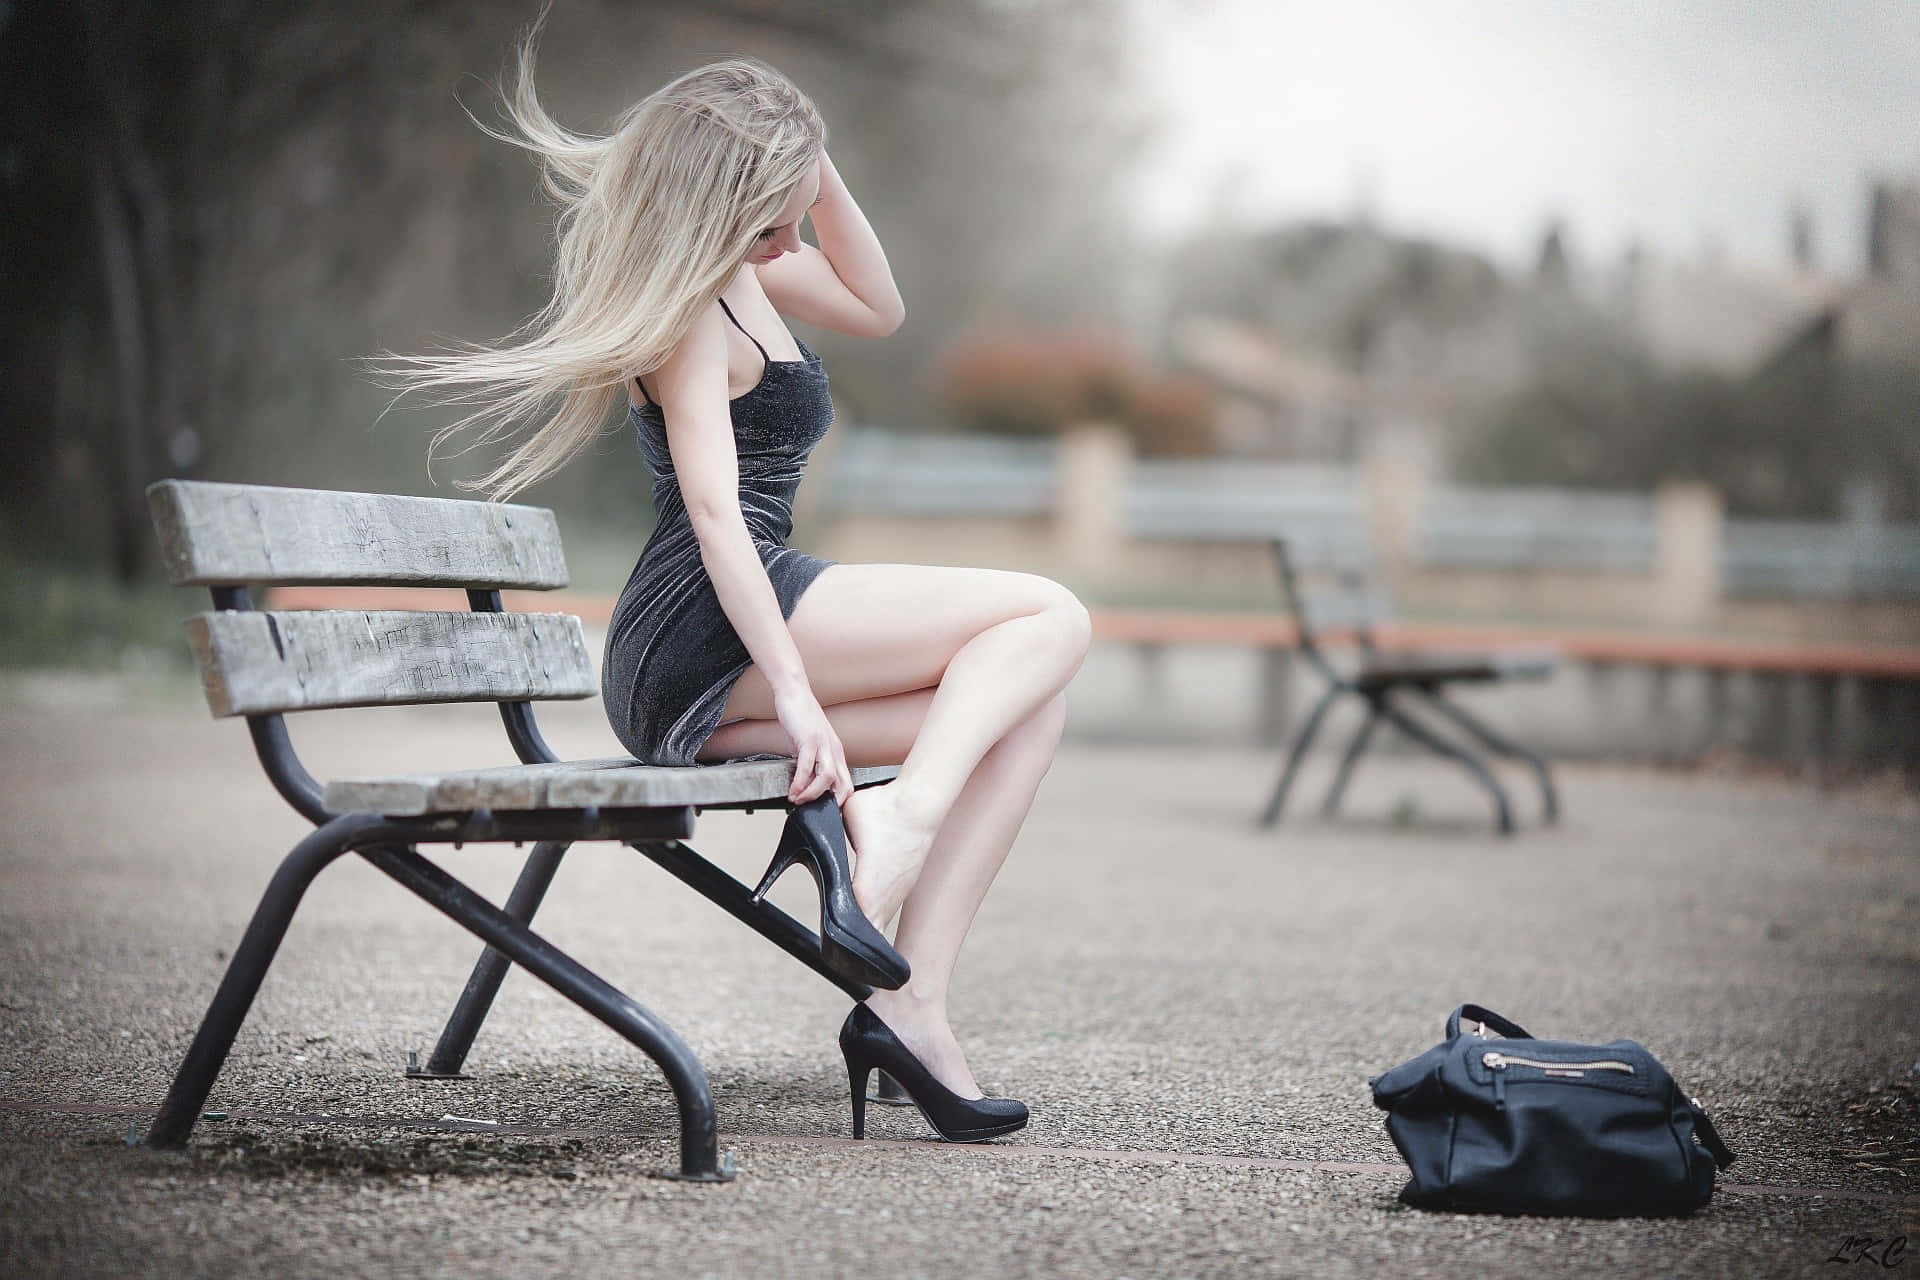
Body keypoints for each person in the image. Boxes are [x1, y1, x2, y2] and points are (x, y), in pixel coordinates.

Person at [373, 18, 1090, 1143]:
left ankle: (912, 1003)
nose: (790, 235)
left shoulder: (750, 268)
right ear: (720, 201)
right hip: (705, 628)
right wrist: (797, 689)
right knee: (1051, 612)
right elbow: (713, 517)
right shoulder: (684, 315)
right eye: (775, 212)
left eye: (794, 208)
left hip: (754, 602)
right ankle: (891, 833)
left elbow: (880, 304)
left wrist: (816, 158)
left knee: (1024, 702)